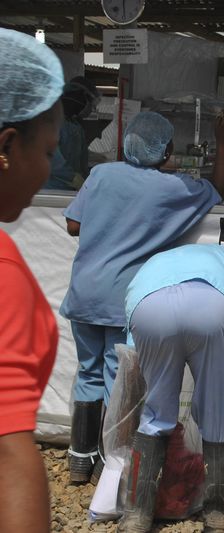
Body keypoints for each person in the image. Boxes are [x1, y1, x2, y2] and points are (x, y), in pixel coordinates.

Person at [61, 110, 224, 485]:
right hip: (121, 299)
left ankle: (78, 459)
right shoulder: (171, 188)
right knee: (117, 377)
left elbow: (74, 224)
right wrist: (222, 142)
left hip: (84, 291)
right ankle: (111, 467)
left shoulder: (101, 174)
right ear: (167, 149)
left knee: (88, 372)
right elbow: (218, 188)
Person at [118, 243, 224, 533]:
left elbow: (136, 362)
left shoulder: (154, 263)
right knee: (217, 414)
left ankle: (137, 515)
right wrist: (220, 348)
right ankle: (218, 513)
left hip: (149, 309)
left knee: (154, 416)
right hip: (213, 310)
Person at [0, 28, 64, 532]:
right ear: (7, 145)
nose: (49, 169)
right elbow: (8, 455)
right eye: (47, 151)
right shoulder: (4, 273)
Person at [44, 76, 100, 190]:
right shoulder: (51, 123)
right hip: (51, 192)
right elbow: (52, 159)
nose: (91, 108)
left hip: (71, 191)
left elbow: (81, 159)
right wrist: (72, 178)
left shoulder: (76, 126)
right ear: (78, 98)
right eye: (90, 103)